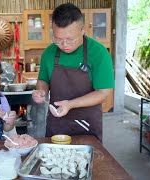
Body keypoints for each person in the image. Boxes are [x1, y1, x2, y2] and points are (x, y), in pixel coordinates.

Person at [32, 3, 114, 142]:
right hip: (56, 125)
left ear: (82, 30)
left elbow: (103, 93)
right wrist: (41, 91)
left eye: (70, 39)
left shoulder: (99, 53)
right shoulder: (49, 53)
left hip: (87, 125)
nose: (64, 45)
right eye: (58, 39)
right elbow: (43, 80)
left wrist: (70, 104)